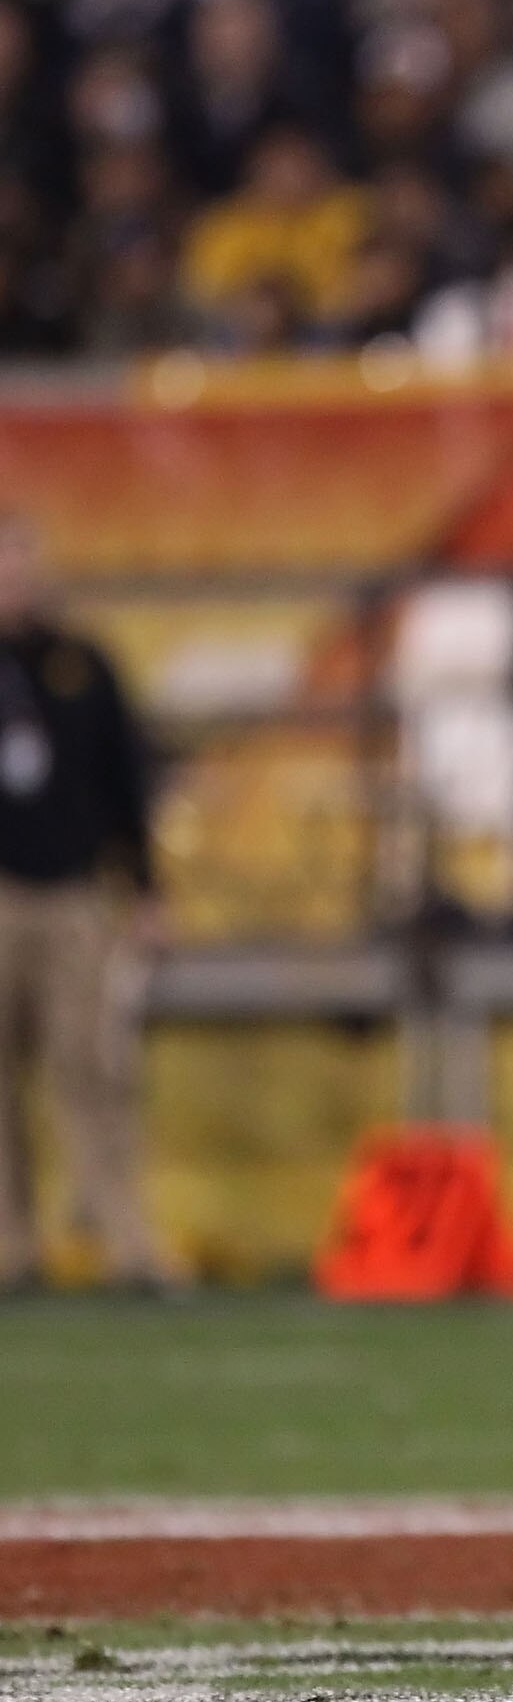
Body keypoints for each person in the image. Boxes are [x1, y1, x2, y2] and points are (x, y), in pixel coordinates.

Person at [0, 514, 174, 1292]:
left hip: (73, 896)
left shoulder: (82, 664)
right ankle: (11, 1246)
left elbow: (124, 785)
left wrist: (144, 890)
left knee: (92, 1067)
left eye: (22, 560)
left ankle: (123, 1239)